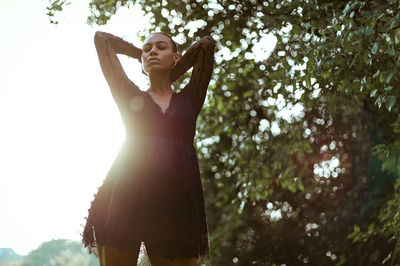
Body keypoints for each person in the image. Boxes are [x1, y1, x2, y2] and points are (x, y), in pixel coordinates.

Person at [80, 29, 216, 266]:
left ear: (176, 56)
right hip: (122, 200)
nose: (152, 50)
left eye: (161, 47)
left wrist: (171, 72)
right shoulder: (128, 94)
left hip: (176, 204)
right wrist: (142, 58)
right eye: (147, 49)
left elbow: (206, 46)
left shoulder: (190, 99)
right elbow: (102, 40)